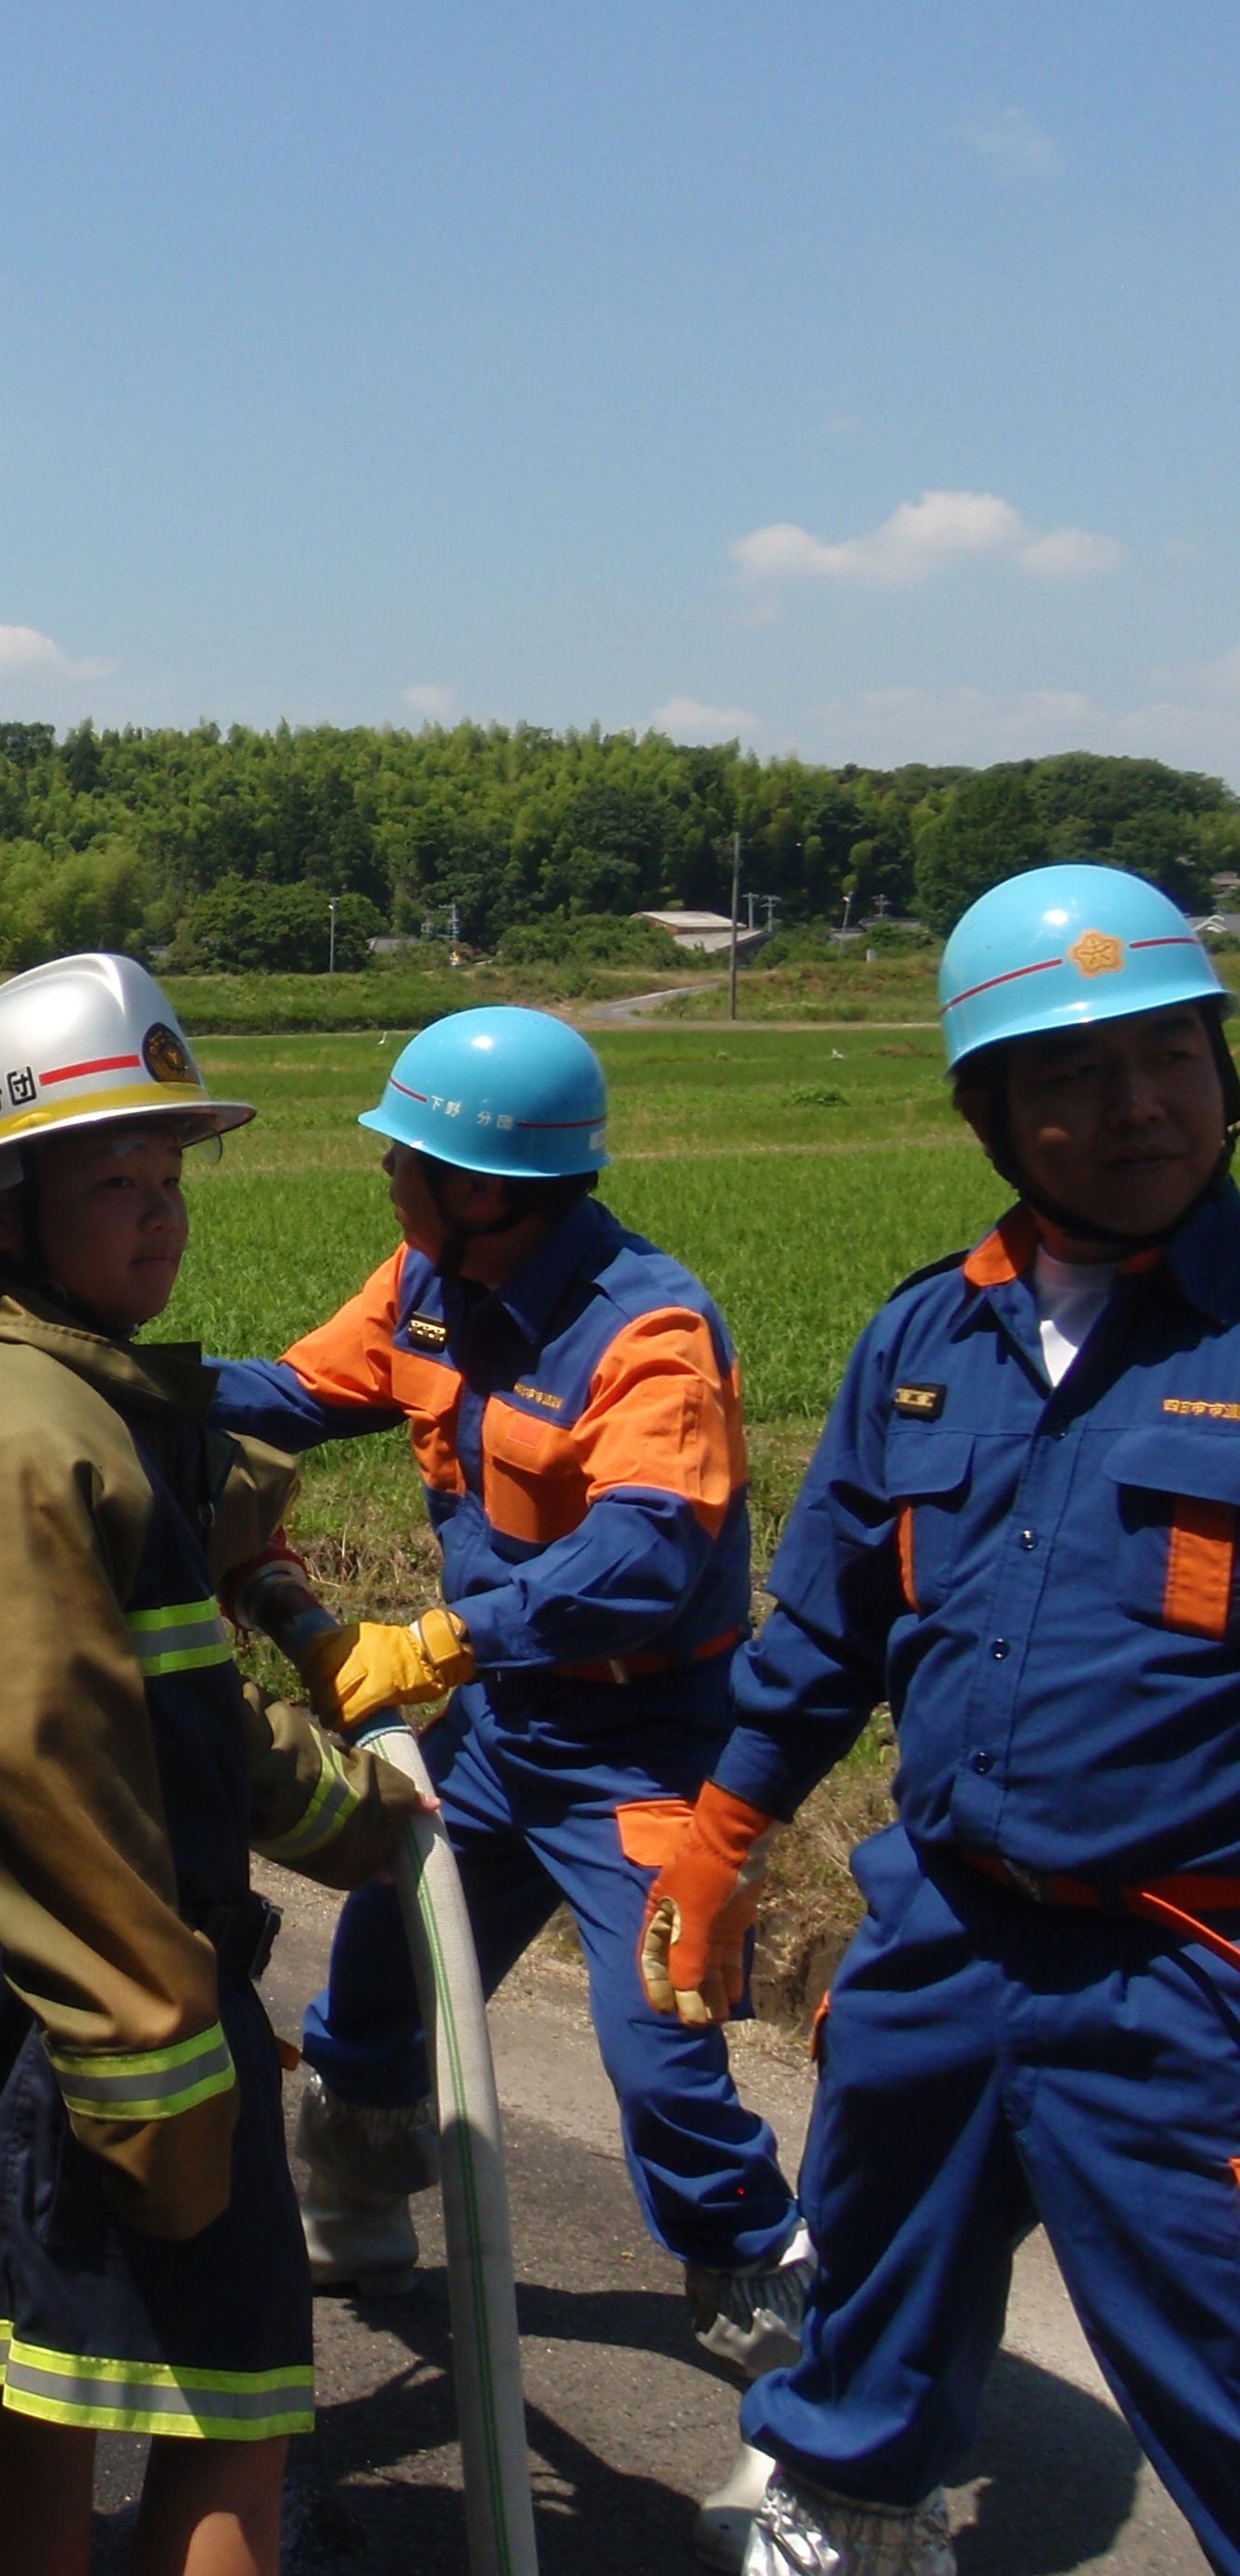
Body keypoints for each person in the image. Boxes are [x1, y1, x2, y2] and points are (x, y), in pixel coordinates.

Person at [640, 867, 1240, 2576]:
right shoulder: (929, 1335)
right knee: (876, 2279)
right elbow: (827, 1628)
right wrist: (727, 1830)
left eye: (1171, 1057)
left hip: (1186, 1970)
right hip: (945, 1931)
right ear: (990, 1114)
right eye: (1069, 1075)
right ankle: (844, 2514)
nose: (1134, 1107)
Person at [204, 1007, 808, 2565]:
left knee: (661, 2050)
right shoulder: (424, 1283)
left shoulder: (649, 1329)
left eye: (414, 1158)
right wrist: (112, 1375)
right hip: (503, 1733)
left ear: (489, 1186)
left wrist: (442, 1638)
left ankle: (798, 2381)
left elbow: (647, 1558)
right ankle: (355, 2195)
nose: (391, 1174)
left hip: (640, 1744)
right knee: (386, 1965)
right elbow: (291, 1395)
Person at [0, 956, 419, 2576]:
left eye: (172, 1176)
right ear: (1, 1213)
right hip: (102, 2007)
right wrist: (159, 2063)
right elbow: (60, 1788)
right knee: (229, 2418)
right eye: (115, 1181)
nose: (163, 1216)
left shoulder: (68, 1400)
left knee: (56, 2390)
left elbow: (179, 1721)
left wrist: (344, 1811)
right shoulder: (32, 1439)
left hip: (60, 2008)